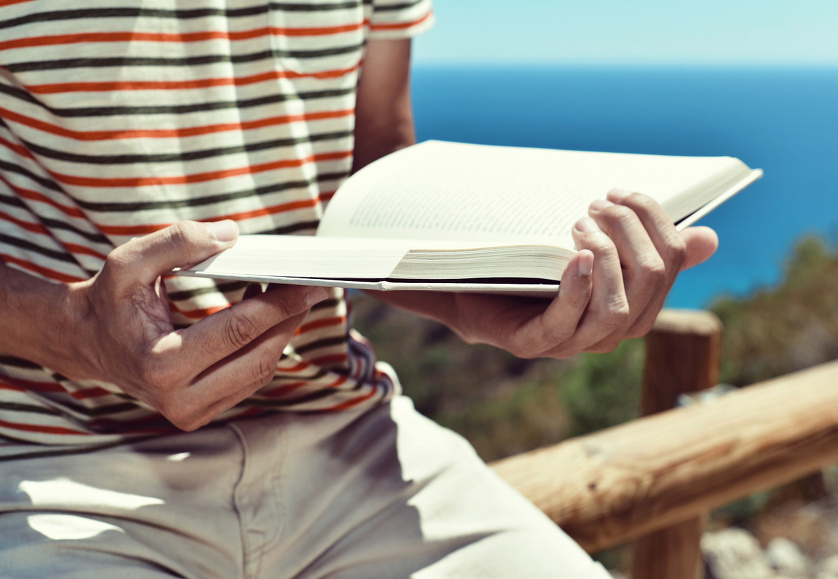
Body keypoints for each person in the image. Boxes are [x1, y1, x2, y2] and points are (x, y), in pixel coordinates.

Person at [0, 1, 718, 577]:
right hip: (53, 464)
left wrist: (480, 298)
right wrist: (72, 328)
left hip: (353, 442)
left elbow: (376, 156)